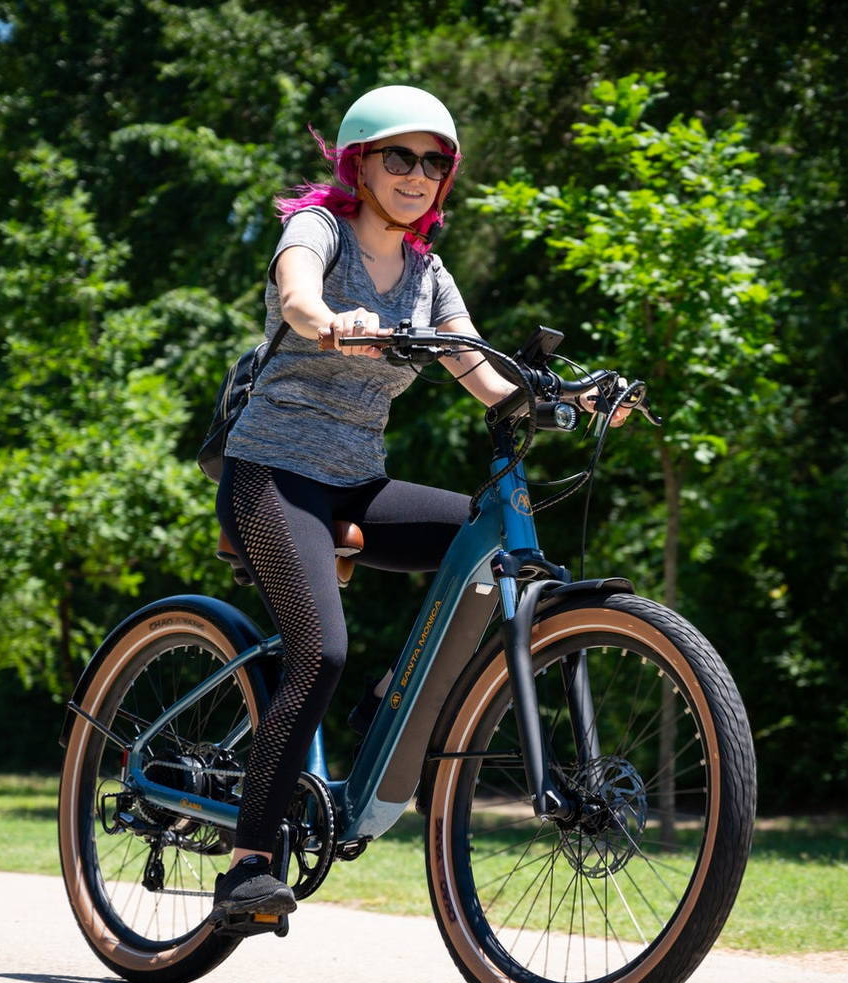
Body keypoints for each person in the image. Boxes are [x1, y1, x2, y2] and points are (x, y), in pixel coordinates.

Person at [210, 85, 615, 923]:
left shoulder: (430, 276)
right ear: (360, 162)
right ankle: (248, 863)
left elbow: (483, 375)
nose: (418, 174)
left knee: (493, 550)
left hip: (357, 478)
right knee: (319, 651)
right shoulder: (319, 232)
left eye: (435, 162)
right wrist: (330, 322)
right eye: (400, 156)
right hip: (273, 474)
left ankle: (392, 693)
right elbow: (295, 295)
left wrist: (570, 396)